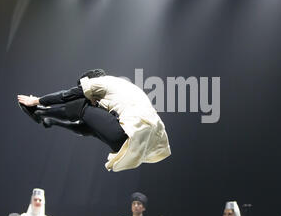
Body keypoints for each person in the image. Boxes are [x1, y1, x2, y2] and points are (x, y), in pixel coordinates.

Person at [17, 69, 171, 172]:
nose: (93, 102)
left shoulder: (102, 81)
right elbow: (86, 129)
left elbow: (66, 95)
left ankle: (40, 112)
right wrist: (55, 121)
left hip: (130, 134)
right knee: (91, 126)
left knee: (79, 104)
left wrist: (37, 101)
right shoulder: (122, 90)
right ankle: (47, 117)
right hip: (142, 141)